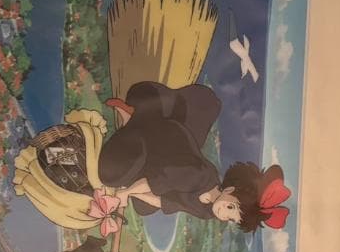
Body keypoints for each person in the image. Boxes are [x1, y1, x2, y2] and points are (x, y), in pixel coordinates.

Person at [99, 81, 290, 233]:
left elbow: (166, 202)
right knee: (111, 177)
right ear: (230, 189)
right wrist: (125, 193)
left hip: (158, 169)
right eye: (231, 208)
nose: (224, 215)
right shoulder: (199, 176)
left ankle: (131, 126)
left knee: (144, 208)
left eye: (231, 219)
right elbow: (155, 181)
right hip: (159, 140)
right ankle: (134, 120)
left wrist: (130, 193)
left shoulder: (206, 212)